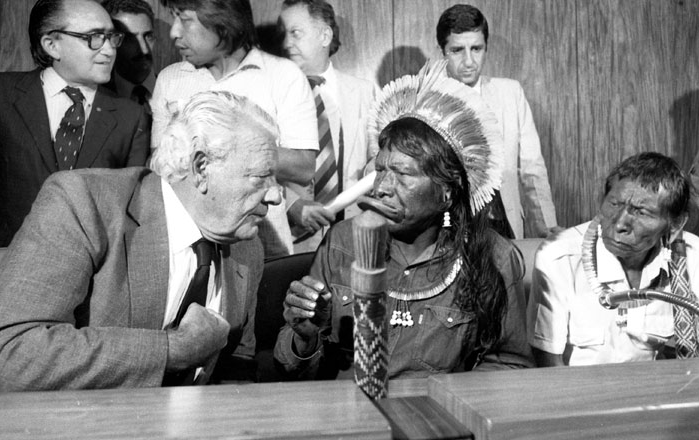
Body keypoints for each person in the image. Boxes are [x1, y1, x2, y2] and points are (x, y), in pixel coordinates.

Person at [0, 91, 282, 392]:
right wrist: (173, 350)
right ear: (201, 168)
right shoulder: (82, 204)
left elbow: (238, 366)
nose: (276, 194)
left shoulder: (245, 248)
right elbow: (8, 356)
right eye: (259, 177)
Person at [274, 61, 534, 380]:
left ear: (447, 193)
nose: (381, 188)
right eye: (380, 170)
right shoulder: (342, 242)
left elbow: (509, 363)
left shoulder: (493, 258)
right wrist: (305, 336)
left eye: (403, 174)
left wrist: (450, 400)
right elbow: (291, 367)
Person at [0, 0, 150, 252]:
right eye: (93, 37)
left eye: (111, 37)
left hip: (88, 270)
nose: (109, 50)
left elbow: (130, 210)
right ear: (51, 45)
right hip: (0, 262)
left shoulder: (130, 116)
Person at [151, 0, 318, 258]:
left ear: (223, 20)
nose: (174, 32)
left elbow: (304, 166)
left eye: (185, 20)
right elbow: (159, 167)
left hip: (262, 242)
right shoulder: (170, 79)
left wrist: (231, 149)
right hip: (185, 248)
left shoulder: (282, 75)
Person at [528, 152, 699, 366]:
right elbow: (548, 364)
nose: (620, 224)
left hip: (660, 392)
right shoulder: (559, 257)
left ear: (674, 225)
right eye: (614, 204)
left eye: (641, 212)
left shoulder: (691, 257)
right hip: (579, 393)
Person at [436, 4, 558, 239]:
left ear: (486, 48)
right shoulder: (428, 99)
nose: (469, 61)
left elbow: (532, 168)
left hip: (502, 225)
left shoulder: (510, 93)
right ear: (443, 51)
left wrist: (547, 227)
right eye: (458, 50)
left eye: (476, 48)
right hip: (446, 228)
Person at [278, 0, 377, 252]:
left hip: (352, 241)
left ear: (325, 35)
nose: (286, 43)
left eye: (295, 33)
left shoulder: (365, 92)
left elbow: (376, 161)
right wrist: (291, 205)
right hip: (290, 241)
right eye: (284, 34)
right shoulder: (270, 93)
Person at [100, 0, 157, 112]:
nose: (144, 50)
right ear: (110, 41)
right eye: (130, 39)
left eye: (148, 36)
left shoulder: (175, 90)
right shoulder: (97, 99)